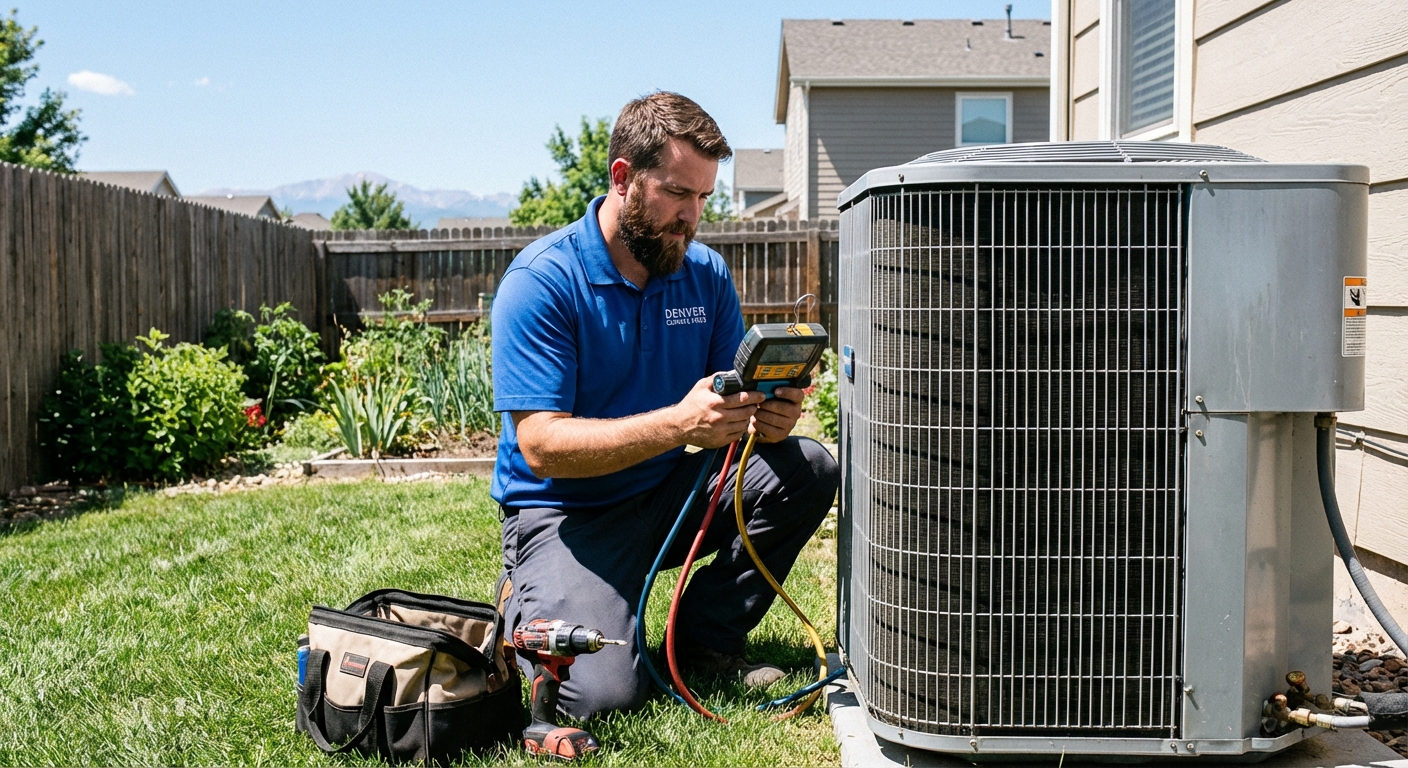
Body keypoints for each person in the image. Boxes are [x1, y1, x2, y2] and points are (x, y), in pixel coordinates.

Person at [491, 91, 839, 719]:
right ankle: (530, 590)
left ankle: (703, 642)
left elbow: (731, 404)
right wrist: (679, 423)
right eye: (678, 194)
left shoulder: (704, 273)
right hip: (569, 512)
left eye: (704, 197)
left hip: (671, 490)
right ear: (623, 178)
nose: (693, 216)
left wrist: (766, 420)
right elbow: (540, 447)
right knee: (600, 698)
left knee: (806, 467)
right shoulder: (542, 282)